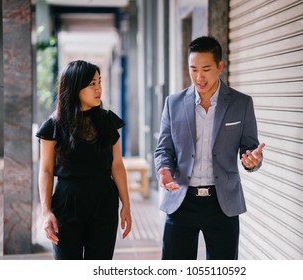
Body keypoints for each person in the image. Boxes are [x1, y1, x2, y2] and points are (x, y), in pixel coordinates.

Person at [154, 36, 265, 260]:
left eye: (205, 69)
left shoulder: (241, 103)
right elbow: (163, 149)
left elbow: (250, 149)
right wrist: (163, 170)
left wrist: (252, 161)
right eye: (193, 69)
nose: (199, 77)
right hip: (181, 201)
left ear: (220, 66)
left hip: (221, 202)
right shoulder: (173, 103)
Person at [36, 60, 132, 260]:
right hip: (67, 202)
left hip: (104, 201)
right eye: (92, 84)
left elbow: (117, 165)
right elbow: (45, 170)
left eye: (99, 82)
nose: (99, 89)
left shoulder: (108, 121)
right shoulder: (53, 126)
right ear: (75, 87)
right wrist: (46, 212)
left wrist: (126, 205)